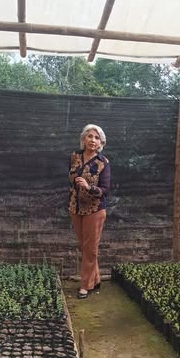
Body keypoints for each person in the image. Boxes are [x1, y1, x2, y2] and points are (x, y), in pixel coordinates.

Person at [68, 124, 111, 300]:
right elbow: (70, 179)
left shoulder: (103, 163)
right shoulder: (74, 156)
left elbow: (105, 190)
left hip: (94, 210)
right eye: (90, 136)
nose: (93, 140)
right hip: (75, 208)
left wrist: (88, 187)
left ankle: (85, 285)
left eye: (97, 138)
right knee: (85, 247)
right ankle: (96, 278)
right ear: (84, 139)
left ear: (101, 143)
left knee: (90, 249)